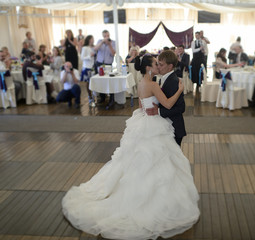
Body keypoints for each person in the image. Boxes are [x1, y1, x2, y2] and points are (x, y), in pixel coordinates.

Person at [62, 53, 200, 240]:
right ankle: (155, 202)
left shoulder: (144, 83)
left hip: (146, 122)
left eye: (160, 64)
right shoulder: (153, 84)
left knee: (142, 162)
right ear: (150, 68)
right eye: (156, 64)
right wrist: (180, 90)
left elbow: (151, 104)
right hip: (154, 125)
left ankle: (152, 197)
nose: (158, 66)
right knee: (156, 162)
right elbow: (166, 103)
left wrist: (157, 106)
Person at [145, 50, 187, 146]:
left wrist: (159, 111)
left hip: (174, 127)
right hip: (166, 125)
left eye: (161, 65)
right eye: (158, 64)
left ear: (170, 66)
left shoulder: (173, 81)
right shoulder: (163, 78)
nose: (158, 67)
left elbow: (181, 108)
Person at [94, 30, 116, 105]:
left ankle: (111, 98)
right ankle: (102, 97)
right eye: (105, 36)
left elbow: (113, 53)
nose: (106, 37)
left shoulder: (113, 42)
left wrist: (109, 44)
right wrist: (102, 42)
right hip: (99, 63)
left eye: (107, 35)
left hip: (108, 64)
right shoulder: (99, 41)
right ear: (103, 36)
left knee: (109, 81)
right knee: (100, 81)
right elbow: (95, 49)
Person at [81, 35, 96, 105]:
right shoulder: (85, 48)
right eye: (92, 38)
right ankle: (90, 97)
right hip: (87, 67)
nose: (93, 40)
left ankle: (94, 96)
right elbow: (82, 57)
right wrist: (90, 56)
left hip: (93, 66)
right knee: (88, 83)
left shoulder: (94, 47)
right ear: (89, 40)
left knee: (93, 82)